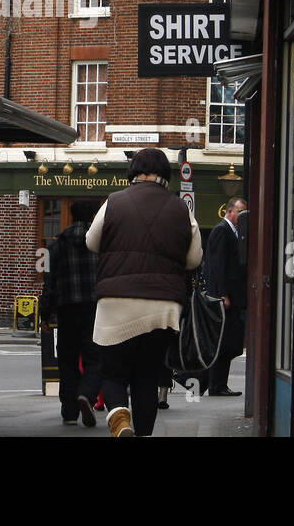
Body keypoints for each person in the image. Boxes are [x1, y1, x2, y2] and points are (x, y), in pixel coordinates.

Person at [86, 148, 202, 437]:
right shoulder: (181, 209)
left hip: (116, 302)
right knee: (146, 377)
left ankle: (120, 421)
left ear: (134, 172)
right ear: (165, 174)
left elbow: (91, 241)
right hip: (161, 307)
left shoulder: (114, 202)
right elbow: (193, 259)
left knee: (113, 373)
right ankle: (144, 434)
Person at [40, 199, 102, 426]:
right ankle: (86, 394)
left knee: (66, 360)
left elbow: (49, 284)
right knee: (95, 357)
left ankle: (69, 411)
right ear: (93, 217)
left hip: (66, 309)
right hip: (95, 309)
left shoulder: (55, 246)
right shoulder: (101, 244)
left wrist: (44, 315)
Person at [206, 196, 247, 396]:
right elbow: (217, 265)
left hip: (233, 295)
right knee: (222, 342)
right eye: (240, 212)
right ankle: (216, 385)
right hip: (225, 297)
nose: (242, 216)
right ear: (229, 211)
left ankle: (219, 384)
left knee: (229, 342)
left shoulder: (236, 233)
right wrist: (222, 294)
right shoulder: (222, 231)